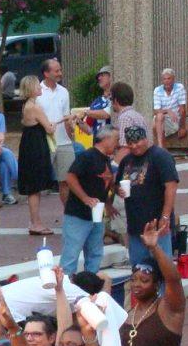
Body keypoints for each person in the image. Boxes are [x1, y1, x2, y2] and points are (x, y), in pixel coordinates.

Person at [114, 127, 179, 266]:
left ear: (145, 139)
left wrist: (165, 216)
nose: (134, 146)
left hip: (157, 223)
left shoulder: (160, 156)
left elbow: (171, 186)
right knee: (139, 267)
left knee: (162, 266)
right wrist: (118, 190)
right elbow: (117, 183)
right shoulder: (126, 160)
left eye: (137, 141)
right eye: (130, 143)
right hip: (135, 224)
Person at [61, 125, 119, 277]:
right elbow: (70, 177)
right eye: (115, 139)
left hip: (96, 215)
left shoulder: (106, 160)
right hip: (78, 214)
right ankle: (65, 287)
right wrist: (85, 198)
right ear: (105, 139)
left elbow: (101, 184)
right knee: (71, 254)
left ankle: (90, 284)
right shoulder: (87, 156)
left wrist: (108, 203)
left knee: (95, 254)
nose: (117, 143)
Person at [17, 75, 56, 236]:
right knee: (35, 187)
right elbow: (49, 128)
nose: (40, 87)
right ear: (32, 88)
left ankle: (35, 220)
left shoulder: (27, 105)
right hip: (36, 147)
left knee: (34, 186)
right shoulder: (35, 107)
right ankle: (35, 222)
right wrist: (53, 124)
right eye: (37, 86)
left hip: (28, 144)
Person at [36, 59, 76, 206]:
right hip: (45, 142)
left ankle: (68, 214)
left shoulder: (64, 91)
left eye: (60, 70)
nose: (60, 73)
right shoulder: (37, 92)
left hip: (64, 142)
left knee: (67, 180)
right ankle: (36, 220)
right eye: (56, 71)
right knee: (38, 184)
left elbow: (66, 117)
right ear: (46, 73)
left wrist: (71, 133)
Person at [152, 67, 188, 149]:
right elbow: (156, 111)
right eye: (164, 79)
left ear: (173, 79)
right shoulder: (157, 90)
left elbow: (182, 109)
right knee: (158, 118)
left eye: (169, 79)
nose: (166, 81)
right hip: (162, 118)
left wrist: (182, 127)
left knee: (157, 123)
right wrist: (168, 111)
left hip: (175, 119)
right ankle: (161, 147)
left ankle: (161, 149)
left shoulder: (179, 87)